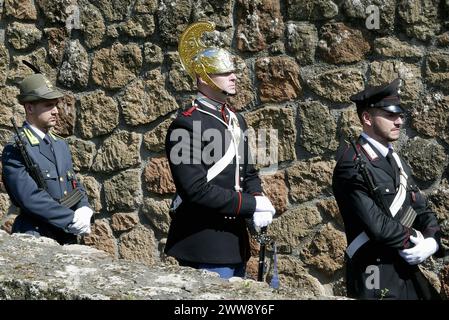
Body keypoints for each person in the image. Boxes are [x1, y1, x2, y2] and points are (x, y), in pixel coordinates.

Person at [164, 21, 276, 279]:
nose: (234, 76)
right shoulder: (187, 124)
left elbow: (248, 172)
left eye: (232, 71)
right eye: (224, 72)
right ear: (203, 78)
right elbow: (195, 190)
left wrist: (257, 200)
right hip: (204, 245)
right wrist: (250, 203)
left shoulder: (236, 119)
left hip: (236, 245)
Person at [332, 78, 444, 299]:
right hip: (374, 272)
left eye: (400, 115)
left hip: (404, 270)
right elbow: (378, 226)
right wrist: (416, 237)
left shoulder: (395, 160)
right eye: (391, 115)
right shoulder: (352, 164)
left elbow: (420, 207)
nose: (399, 121)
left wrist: (432, 241)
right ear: (367, 118)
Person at [2, 72, 93, 245]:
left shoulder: (60, 144)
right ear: (29, 108)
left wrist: (83, 207)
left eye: (56, 105)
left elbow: (73, 183)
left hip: (65, 236)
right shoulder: (15, 148)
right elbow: (29, 197)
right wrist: (70, 219)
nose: (56, 111)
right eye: (48, 105)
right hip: (35, 235)